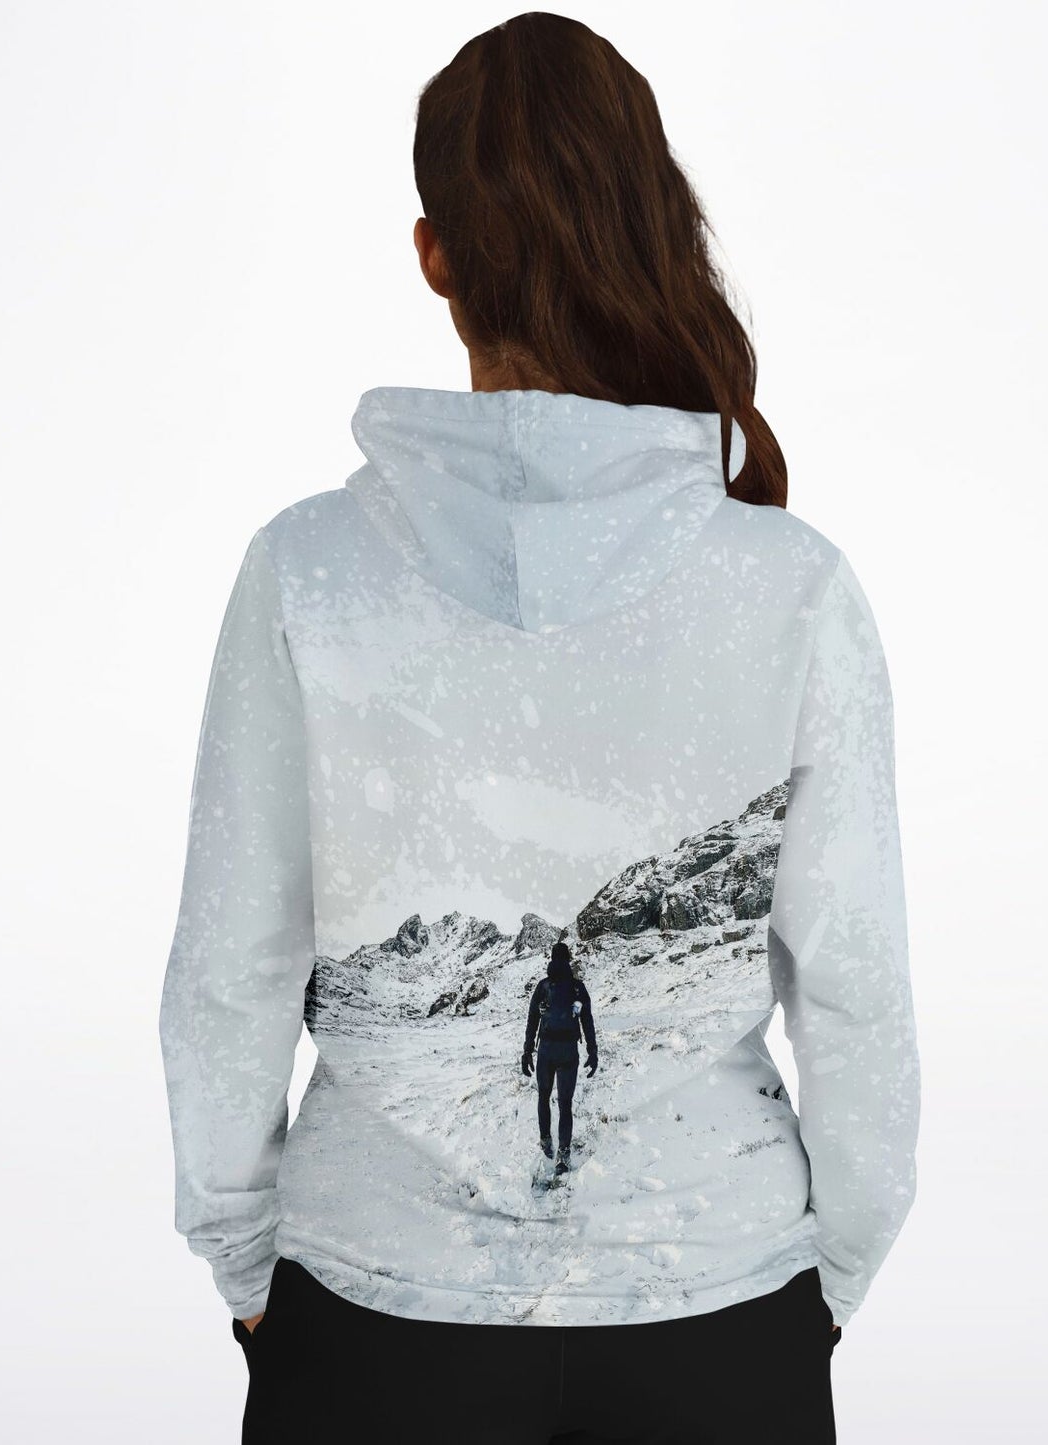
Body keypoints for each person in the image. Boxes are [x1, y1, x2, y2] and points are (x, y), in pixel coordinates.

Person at [158, 14, 919, 1444]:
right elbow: (856, 985)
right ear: (654, 231)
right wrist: (831, 1271)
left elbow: (230, 964)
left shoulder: (309, 570)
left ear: (435, 256)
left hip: (374, 1307)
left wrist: (243, 1256)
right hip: (717, 1309)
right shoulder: (793, 584)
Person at [522, 940, 599, 1172]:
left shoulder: (543, 986)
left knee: (543, 1096)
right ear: (568, 959)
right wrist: (592, 1050)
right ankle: (563, 1154)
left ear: (552, 959)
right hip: (568, 1051)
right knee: (565, 1103)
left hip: (546, 1050)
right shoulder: (577, 988)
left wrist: (527, 1050)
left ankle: (545, 1140)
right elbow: (587, 1020)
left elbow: (532, 1020)